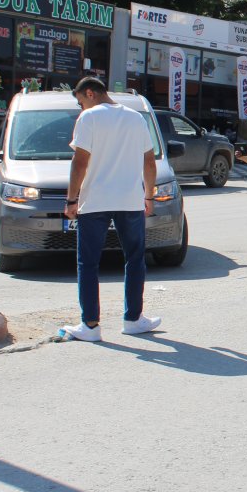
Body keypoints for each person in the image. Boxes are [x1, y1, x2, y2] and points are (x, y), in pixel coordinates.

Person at [57, 77, 161, 342]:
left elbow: (80, 162)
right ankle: (133, 319)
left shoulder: (89, 118)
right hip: (130, 200)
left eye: (81, 102)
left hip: (95, 202)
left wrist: (71, 200)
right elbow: (149, 162)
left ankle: (90, 326)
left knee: (88, 263)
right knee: (135, 259)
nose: (81, 108)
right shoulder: (136, 118)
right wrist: (148, 196)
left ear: (90, 93)